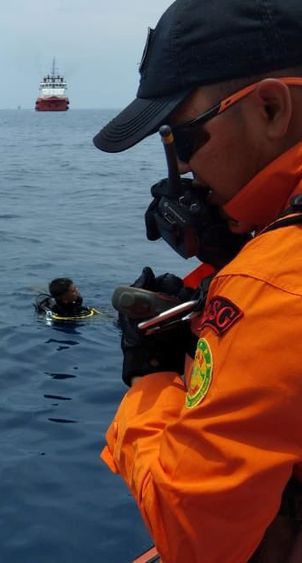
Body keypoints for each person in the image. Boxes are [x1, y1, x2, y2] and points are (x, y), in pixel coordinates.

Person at [92, 0, 302, 561]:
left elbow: (193, 537)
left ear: (270, 108)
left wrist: (152, 378)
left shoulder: (275, 286)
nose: (181, 170)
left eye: (180, 139)